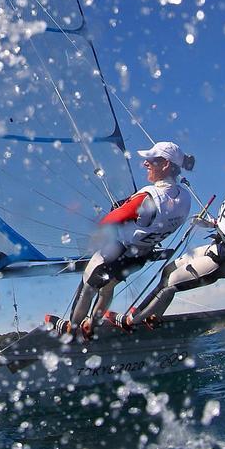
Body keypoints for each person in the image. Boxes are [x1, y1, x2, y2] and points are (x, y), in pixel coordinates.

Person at [49, 141, 194, 338]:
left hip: (116, 253)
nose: (145, 164)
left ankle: (72, 330)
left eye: (151, 160)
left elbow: (109, 221)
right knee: (108, 287)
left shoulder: (147, 197)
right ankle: (91, 326)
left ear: (166, 164)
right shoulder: (185, 197)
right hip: (140, 257)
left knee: (88, 287)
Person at [114, 152, 225, 331]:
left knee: (171, 282)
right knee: (168, 269)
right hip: (215, 247)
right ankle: (153, 317)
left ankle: (130, 322)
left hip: (223, 259)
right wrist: (210, 223)